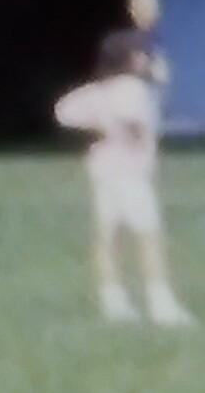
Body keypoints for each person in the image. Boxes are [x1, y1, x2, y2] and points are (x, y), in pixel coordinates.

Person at [55, 29, 194, 328]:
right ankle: (161, 304)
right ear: (129, 59)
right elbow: (135, 118)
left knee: (109, 233)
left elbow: (64, 111)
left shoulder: (101, 90)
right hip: (130, 173)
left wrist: (102, 128)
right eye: (141, 54)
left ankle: (113, 301)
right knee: (149, 235)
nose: (146, 58)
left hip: (103, 168)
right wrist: (134, 131)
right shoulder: (133, 88)